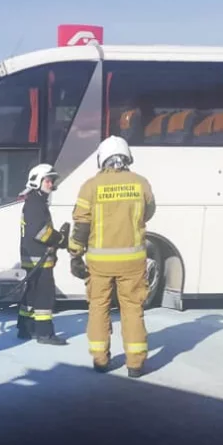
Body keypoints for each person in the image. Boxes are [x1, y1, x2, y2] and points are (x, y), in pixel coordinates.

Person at [69, 135, 156, 377]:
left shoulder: (90, 186)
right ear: (127, 157)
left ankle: (100, 359)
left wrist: (75, 255)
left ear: (102, 158)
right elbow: (148, 212)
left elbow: (81, 226)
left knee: (98, 308)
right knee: (132, 309)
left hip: (99, 264)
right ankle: (136, 364)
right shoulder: (141, 183)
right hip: (133, 261)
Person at [17, 163, 69, 345]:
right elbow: (40, 232)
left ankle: (25, 328)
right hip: (39, 258)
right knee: (44, 297)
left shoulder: (33, 201)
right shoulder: (36, 203)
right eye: (48, 180)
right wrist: (60, 239)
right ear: (37, 181)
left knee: (30, 295)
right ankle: (45, 333)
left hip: (32, 257)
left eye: (52, 181)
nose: (51, 184)